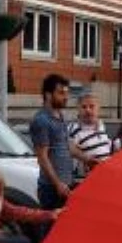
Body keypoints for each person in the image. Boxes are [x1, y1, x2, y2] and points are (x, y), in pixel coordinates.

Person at [31, 74, 95, 211]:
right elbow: (42, 158)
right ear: (48, 95)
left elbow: (67, 146)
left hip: (66, 185)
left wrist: (88, 159)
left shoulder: (60, 116)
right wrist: (57, 184)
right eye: (61, 93)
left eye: (67, 93)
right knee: (50, 229)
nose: (66, 97)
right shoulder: (41, 121)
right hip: (51, 189)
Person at [67, 92, 122, 178]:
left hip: (104, 175)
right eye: (84, 107)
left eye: (92, 106)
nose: (88, 110)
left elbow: (106, 146)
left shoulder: (100, 125)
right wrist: (86, 159)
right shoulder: (73, 128)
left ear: (98, 108)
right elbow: (67, 149)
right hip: (85, 180)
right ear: (78, 108)